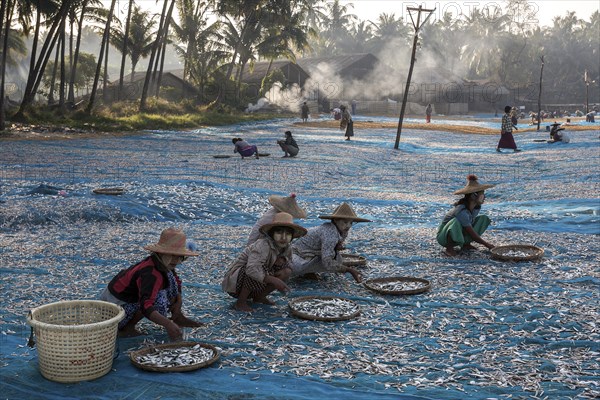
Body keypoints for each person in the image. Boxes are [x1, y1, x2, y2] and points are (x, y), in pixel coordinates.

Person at [100, 228, 202, 341]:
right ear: (160, 253)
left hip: (127, 302)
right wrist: (167, 324)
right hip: (114, 314)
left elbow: (176, 281)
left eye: (179, 256)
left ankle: (177, 316)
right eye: (171, 255)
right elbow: (146, 305)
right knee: (157, 300)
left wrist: (179, 302)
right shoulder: (150, 273)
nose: (176, 260)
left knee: (171, 283)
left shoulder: (161, 264)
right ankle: (127, 328)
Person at [222, 212, 307, 312]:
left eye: (288, 234)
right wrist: (274, 280)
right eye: (279, 233)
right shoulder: (263, 245)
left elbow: (290, 263)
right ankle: (240, 302)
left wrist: (282, 263)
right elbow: (252, 269)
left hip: (259, 278)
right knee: (256, 269)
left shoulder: (287, 247)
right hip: (237, 282)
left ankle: (259, 297)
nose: (283, 237)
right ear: (272, 234)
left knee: (286, 270)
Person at [291, 202, 370, 282]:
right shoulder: (330, 233)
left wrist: (336, 246)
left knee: (338, 259)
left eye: (351, 223)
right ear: (335, 220)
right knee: (301, 267)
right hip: (297, 254)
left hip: (312, 252)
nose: (348, 226)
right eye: (345, 222)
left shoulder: (342, 231)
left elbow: (332, 246)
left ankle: (309, 270)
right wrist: (350, 270)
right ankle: (306, 271)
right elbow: (327, 262)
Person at [437, 175, 496, 257]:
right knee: (455, 222)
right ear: (473, 196)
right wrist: (487, 244)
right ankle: (449, 248)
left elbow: (469, 225)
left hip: (460, 231)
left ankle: (465, 243)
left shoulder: (475, 208)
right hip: (444, 237)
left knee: (483, 218)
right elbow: (471, 232)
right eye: (482, 194)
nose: (484, 197)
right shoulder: (462, 211)